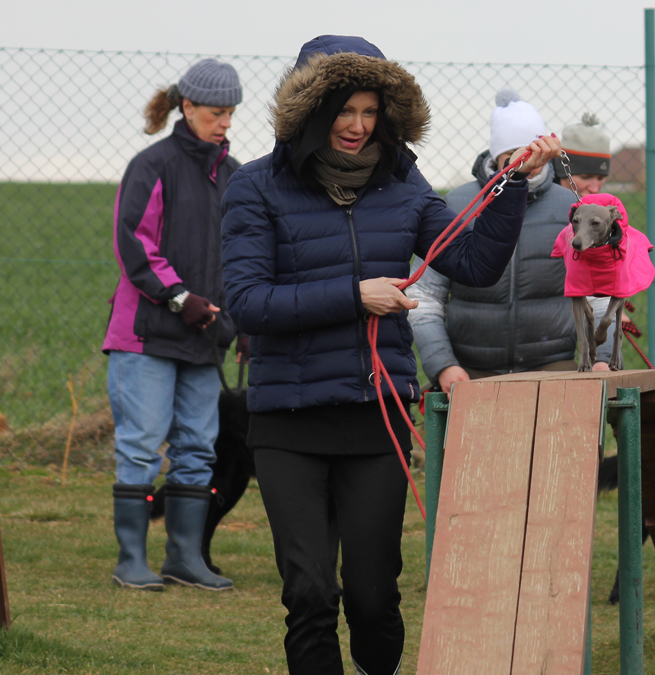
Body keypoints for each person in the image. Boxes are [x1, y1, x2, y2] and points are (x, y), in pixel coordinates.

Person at [219, 35, 561, 675]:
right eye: (343, 110)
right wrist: (355, 295)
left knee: (374, 599)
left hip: (375, 419)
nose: (357, 126)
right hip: (287, 422)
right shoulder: (254, 187)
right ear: (309, 111)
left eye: (370, 111)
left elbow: (474, 263)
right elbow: (248, 302)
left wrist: (512, 181)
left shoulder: (404, 184)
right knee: (311, 594)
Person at [102, 58, 246, 592]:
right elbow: (135, 242)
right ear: (187, 107)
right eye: (216, 112)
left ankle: (184, 557)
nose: (225, 122)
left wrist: (243, 319)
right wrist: (181, 297)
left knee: (199, 447)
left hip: (204, 339)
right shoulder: (152, 165)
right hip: (145, 335)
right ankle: (131, 561)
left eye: (230, 112)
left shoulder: (235, 178)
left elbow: (242, 257)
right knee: (141, 445)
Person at [407, 89, 577, 393]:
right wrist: (444, 365)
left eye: (535, 148)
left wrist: (602, 358)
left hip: (554, 366)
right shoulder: (457, 205)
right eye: (516, 153)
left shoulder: (569, 208)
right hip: (470, 369)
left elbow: (597, 292)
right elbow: (424, 297)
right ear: (498, 154)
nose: (528, 159)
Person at [554, 112, 623, 370]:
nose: (595, 188)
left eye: (601, 179)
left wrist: (603, 358)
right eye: (584, 178)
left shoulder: (601, 216)